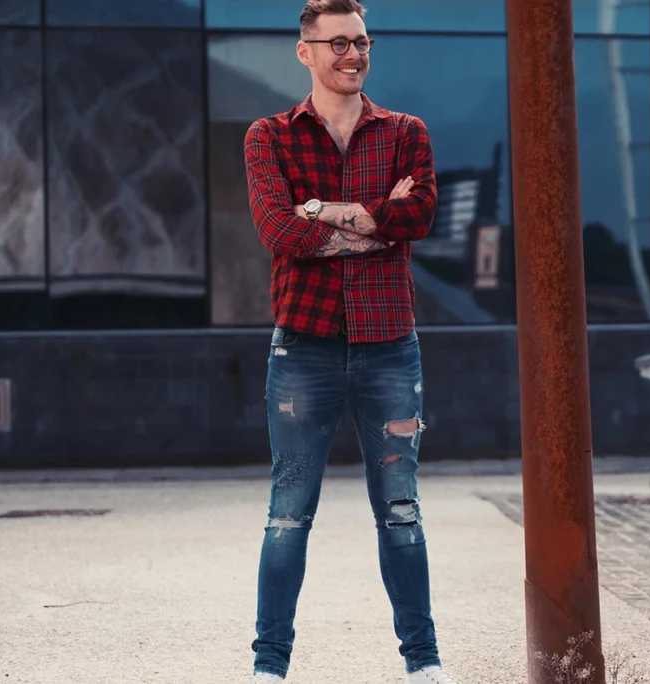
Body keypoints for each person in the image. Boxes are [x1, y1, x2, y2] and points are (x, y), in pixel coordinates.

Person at [242, 1, 459, 682]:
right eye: (337, 43)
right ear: (304, 52)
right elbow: (280, 232)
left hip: (389, 345)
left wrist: (327, 214)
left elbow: (417, 213)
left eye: (361, 41)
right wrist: (375, 222)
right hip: (302, 346)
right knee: (287, 515)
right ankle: (269, 668)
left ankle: (423, 666)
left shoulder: (405, 133)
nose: (352, 54)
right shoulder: (268, 136)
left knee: (400, 511)